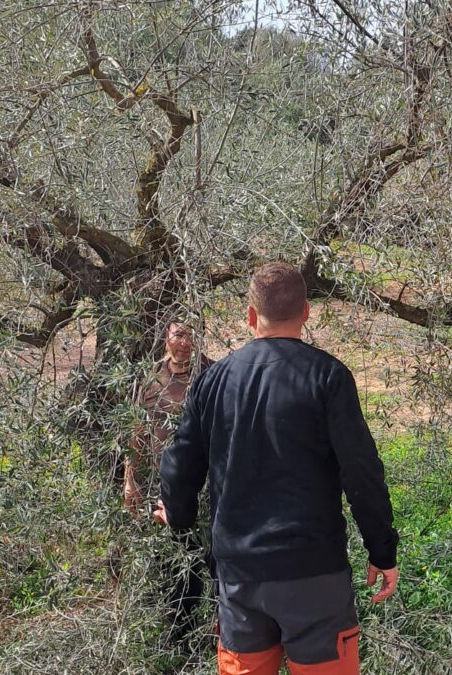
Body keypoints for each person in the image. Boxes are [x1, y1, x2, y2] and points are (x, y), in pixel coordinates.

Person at [155, 262, 400, 675]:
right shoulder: (329, 377)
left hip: (239, 580)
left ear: (251, 316)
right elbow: (361, 472)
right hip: (313, 575)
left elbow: (178, 466)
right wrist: (382, 549)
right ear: (306, 312)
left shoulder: (211, 382)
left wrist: (177, 516)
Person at [126, 321, 214, 646]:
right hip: (162, 491)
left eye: (192, 335)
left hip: (203, 490)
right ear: (166, 336)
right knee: (171, 564)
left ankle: (212, 634)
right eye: (179, 334)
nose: (185, 343)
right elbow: (136, 430)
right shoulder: (151, 378)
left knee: (207, 561)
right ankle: (178, 636)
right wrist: (129, 479)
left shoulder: (211, 374)